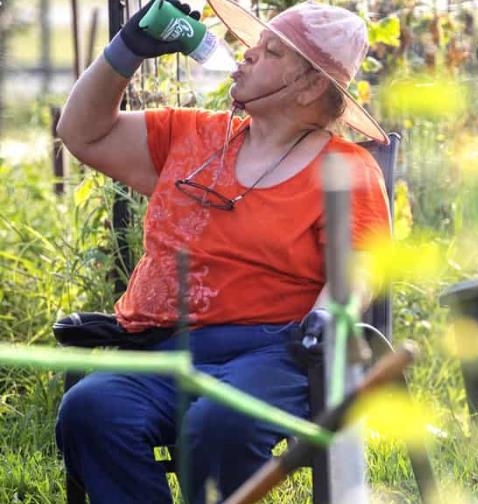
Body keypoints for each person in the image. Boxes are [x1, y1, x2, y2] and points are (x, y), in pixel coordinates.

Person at [53, 0, 390, 502]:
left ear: (311, 84)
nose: (248, 55)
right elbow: (81, 133)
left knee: (219, 423)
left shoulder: (347, 168)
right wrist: (127, 50)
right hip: (168, 349)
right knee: (93, 409)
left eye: (271, 51)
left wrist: (327, 316)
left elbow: (358, 269)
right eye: (255, 45)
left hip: (274, 353)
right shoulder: (191, 135)